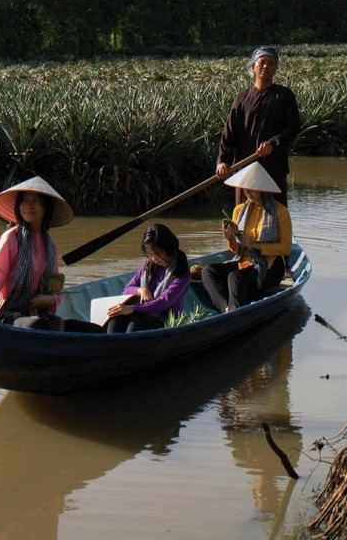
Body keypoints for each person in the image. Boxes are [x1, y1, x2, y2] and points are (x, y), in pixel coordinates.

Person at [0, 176, 100, 332]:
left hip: (40, 317)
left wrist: (51, 300)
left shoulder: (49, 244)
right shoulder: (11, 239)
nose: (29, 206)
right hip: (8, 316)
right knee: (37, 326)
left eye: (36, 201)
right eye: (24, 200)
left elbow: (56, 286)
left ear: (46, 207)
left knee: (93, 330)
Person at [216, 46, 302, 206]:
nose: (265, 66)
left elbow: (293, 126)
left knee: (275, 217)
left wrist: (273, 143)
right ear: (253, 66)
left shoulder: (284, 96)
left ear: (275, 68)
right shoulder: (241, 98)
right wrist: (223, 161)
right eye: (261, 62)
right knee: (243, 219)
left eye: (271, 63)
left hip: (273, 169)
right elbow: (229, 134)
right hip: (244, 169)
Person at [201, 162, 292, 313]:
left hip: (270, 266)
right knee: (208, 271)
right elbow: (238, 251)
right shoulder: (239, 211)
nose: (248, 192)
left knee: (235, 278)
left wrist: (255, 245)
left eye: (252, 188)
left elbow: (286, 247)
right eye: (245, 188)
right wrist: (230, 239)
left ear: (262, 189)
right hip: (244, 263)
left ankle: (234, 311)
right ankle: (227, 309)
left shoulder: (280, 212)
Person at [102, 223, 191, 334]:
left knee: (135, 317)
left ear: (168, 248)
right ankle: (110, 343)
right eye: (150, 254)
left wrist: (133, 308)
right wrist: (141, 290)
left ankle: (124, 346)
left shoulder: (181, 273)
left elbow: (163, 302)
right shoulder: (148, 266)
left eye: (158, 254)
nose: (154, 259)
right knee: (117, 316)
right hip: (142, 313)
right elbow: (127, 289)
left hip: (164, 321)